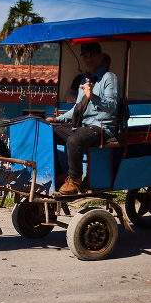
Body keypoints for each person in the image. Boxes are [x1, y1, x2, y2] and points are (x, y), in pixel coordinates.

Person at [46, 43, 119, 195]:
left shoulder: (109, 78)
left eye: (92, 55)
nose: (89, 58)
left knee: (74, 140)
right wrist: (58, 119)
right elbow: (76, 109)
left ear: (101, 55)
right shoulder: (84, 80)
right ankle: (59, 176)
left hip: (102, 127)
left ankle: (74, 180)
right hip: (83, 126)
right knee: (49, 132)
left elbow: (112, 106)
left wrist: (93, 97)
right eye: (85, 56)